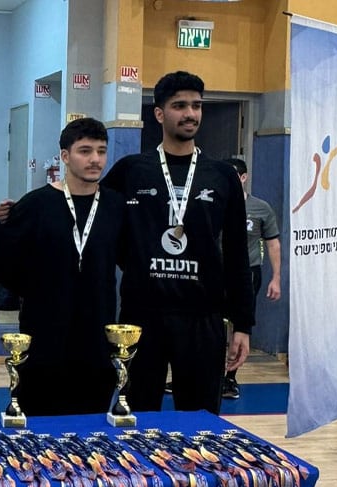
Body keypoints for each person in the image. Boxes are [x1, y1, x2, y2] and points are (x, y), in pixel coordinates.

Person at [101, 70, 254, 415]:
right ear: (159, 113)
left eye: (196, 106)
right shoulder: (131, 171)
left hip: (202, 316)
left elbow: (236, 254)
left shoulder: (223, 176)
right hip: (142, 316)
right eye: (179, 105)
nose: (190, 113)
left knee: (200, 420)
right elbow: (96, 218)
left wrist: (243, 324)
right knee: (137, 418)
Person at [0, 117, 123, 415]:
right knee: (38, 430)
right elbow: (5, 266)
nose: (95, 159)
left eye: (101, 151)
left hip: (96, 342)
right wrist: (40, 290)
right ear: (65, 156)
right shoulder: (34, 205)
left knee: (91, 429)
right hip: (43, 341)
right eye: (85, 151)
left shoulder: (116, 206)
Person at [221, 157, 281, 399]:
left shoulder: (260, 208)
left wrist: (276, 277)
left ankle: (230, 378)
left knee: (240, 325)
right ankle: (201, 375)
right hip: (215, 271)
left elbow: (273, 243)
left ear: (243, 177)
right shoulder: (213, 203)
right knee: (208, 324)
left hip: (247, 273)